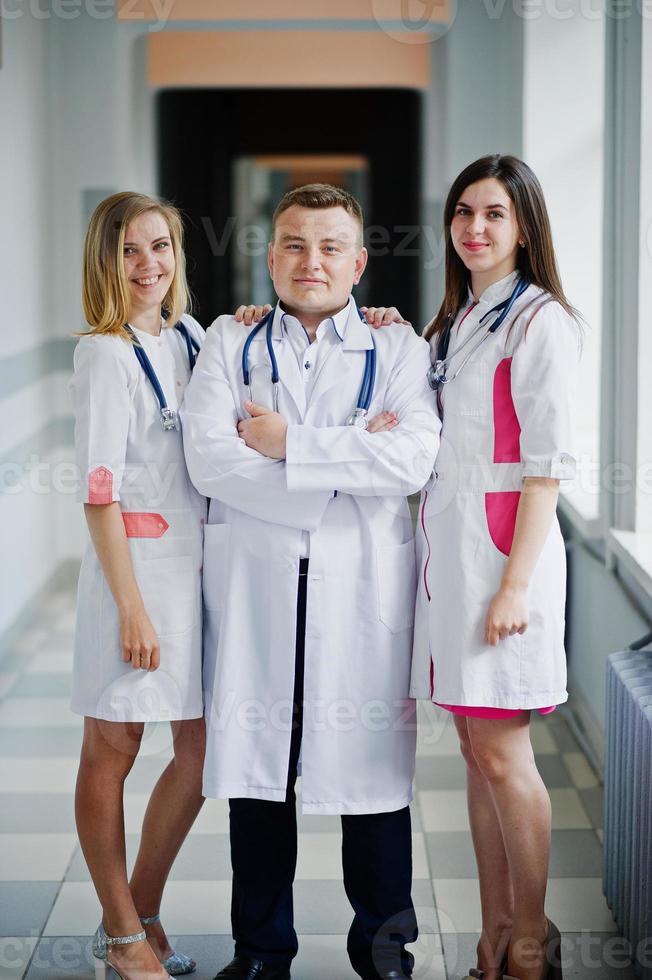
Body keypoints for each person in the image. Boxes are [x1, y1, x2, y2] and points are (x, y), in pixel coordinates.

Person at [181, 183, 441, 980]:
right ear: (270, 257)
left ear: (359, 262)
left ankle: (385, 948)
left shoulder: (398, 348)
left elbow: (410, 460)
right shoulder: (231, 341)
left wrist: (286, 443)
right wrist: (341, 458)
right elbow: (208, 460)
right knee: (260, 786)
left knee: (372, 786)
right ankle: (261, 953)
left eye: (330, 246)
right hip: (258, 591)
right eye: (294, 244)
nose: (311, 260)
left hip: (359, 590)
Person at [374, 154, 578, 980]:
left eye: (494, 213)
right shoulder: (459, 319)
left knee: (504, 752)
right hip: (451, 556)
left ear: (524, 226)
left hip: (501, 560)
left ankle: (530, 936)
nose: (474, 228)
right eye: (463, 212)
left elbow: (548, 465)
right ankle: (495, 927)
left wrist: (515, 586)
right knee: (473, 747)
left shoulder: (540, 322)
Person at [70, 192, 207, 980]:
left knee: (198, 747)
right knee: (113, 746)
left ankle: (137, 908)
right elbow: (99, 492)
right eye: (128, 251)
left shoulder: (187, 334)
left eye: (160, 246)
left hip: (190, 577)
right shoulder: (103, 353)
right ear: (105, 261)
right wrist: (130, 608)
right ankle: (124, 937)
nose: (149, 264)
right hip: (134, 579)